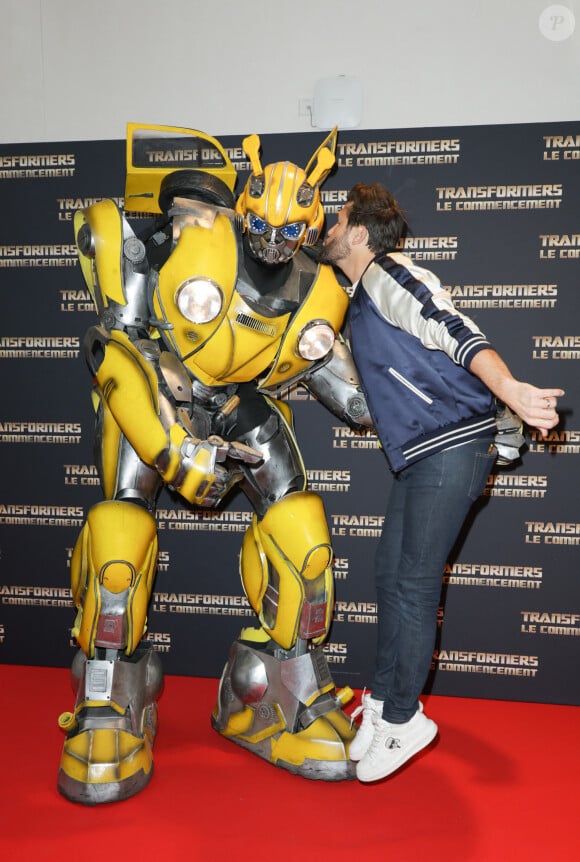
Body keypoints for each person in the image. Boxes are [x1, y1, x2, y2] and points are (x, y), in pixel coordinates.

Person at [56, 125, 372, 804]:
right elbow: (117, 350)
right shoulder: (167, 245)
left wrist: (455, 410)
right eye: (261, 224)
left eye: (290, 232)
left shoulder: (317, 289)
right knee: (120, 542)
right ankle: (108, 699)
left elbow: (357, 396)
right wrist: (172, 447)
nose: (272, 242)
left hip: (240, 402)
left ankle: (274, 695)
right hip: (158, 385)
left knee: (304, 542)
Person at [319, 182, 564, 784]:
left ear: (358, 232)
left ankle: (404, 719)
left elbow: (452, 328)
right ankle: (383, 699)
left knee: (413, 581)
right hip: (426, 452)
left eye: (339, 217)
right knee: (390, 572)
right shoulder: (357, 292)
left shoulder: (389, 274)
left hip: (452, 444)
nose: (327, 225)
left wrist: (510, 392)